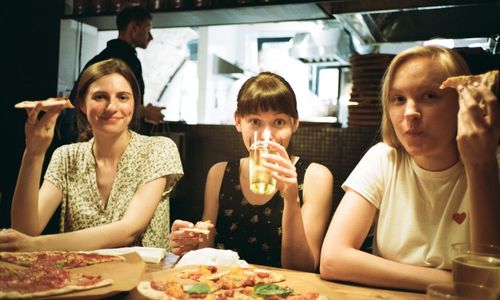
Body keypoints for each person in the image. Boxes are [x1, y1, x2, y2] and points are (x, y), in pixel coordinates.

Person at [320, 46, 500, 291]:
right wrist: (454, 281)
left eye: (429, 96)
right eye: (398, 99)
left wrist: (481, 165)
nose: (410, 113)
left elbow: (488, 284)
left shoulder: (492, 165)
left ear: (463, 103)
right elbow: (332, 260)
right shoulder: (384, 159)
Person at [0, 58, 183, 251]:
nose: (112, 107)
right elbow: (25, 231)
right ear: (81, 104)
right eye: (100, 97)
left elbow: (128, 230)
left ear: (134, 104)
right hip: (76, 279)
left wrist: (38, 245)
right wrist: (34, 152)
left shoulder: (158, 149)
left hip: (146, 279)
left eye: (123, 97)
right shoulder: (66, 157)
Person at [169, 72, 333, 272]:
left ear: (294, 123)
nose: (266, 136)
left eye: (279, 122)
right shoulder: (219, 174)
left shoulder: (315, 177)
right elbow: (206, 253)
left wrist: (291, 199)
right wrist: (189, 243)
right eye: (255, 121)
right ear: (238, 122)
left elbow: (302, 267)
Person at [59, 5, 164, 144]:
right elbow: (113, 105)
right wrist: (146, 112)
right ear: (133, 28)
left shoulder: (105, 56)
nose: (151, 37)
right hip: (94, 140)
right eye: (147, 29)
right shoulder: (123, 61)